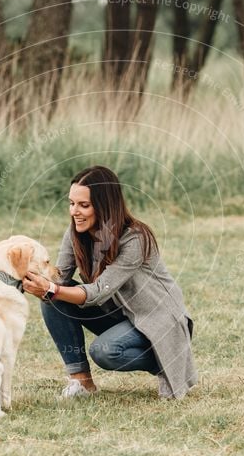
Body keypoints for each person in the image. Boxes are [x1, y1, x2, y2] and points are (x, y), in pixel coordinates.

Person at [21, 166, 197, 399]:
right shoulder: (74, 232)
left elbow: (98, 292)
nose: (75, 211)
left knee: (105, 351)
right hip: (117, 312)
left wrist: (52, 289)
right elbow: (59, 278)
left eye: (84, 205)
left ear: (105, 206)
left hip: (156, 317)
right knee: (52, 299)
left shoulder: (135, 238)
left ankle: (169, 360)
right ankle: (81, 383)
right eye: (71, 203)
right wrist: (22, 271)